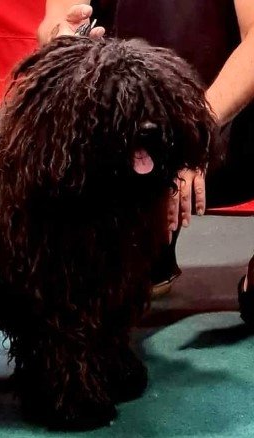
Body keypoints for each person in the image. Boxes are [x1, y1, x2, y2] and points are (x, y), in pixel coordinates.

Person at [37, 0, 254, 320]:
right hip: (125, 135)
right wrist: (63, 37)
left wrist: (193, 130)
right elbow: (54, 22)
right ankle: (132, 247)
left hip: (219, 126)